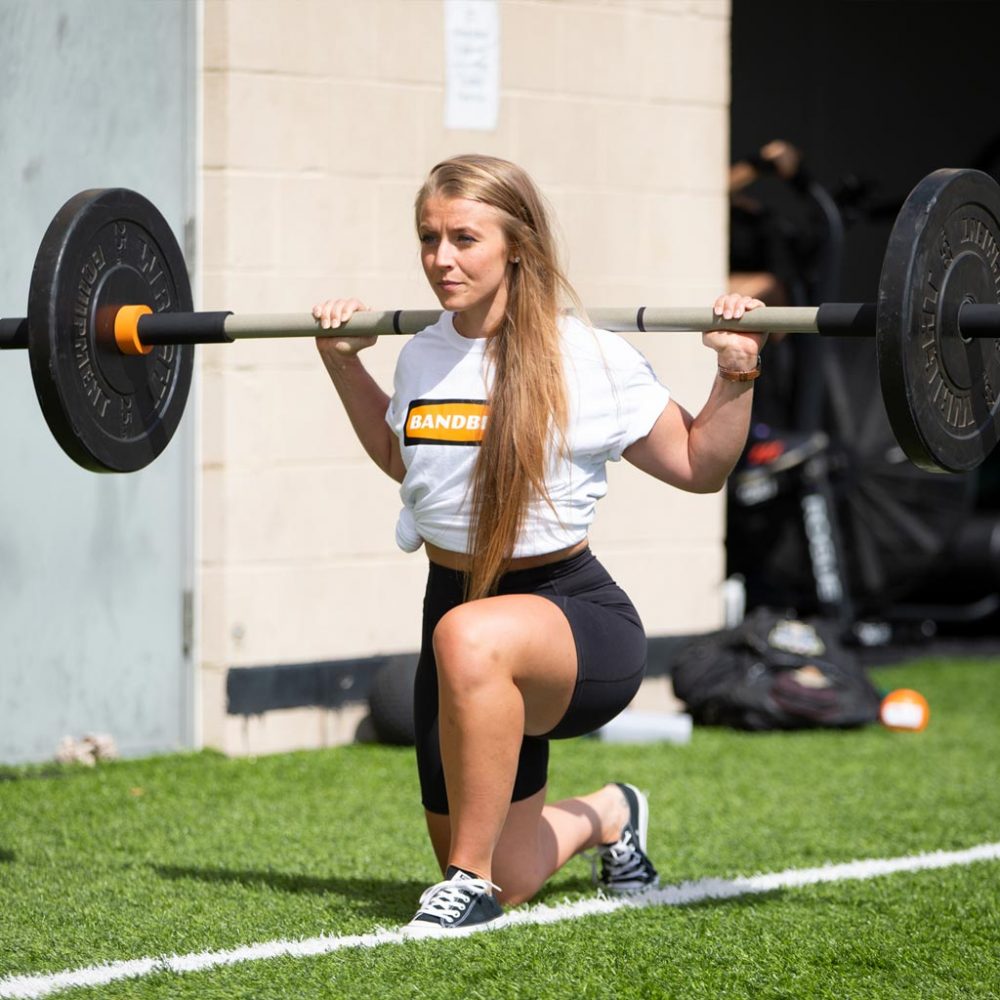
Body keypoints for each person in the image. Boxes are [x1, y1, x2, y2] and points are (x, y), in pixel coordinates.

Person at [312, 154, 765, 936]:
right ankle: (610, 814)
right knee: (517, 871)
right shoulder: (423, 353)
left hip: (570, 617)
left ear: (517, 244)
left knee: (469, 648)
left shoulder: (589, 357)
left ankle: (467, 881)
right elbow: (401, 458)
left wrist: (736, 376)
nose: (440, 260)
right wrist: (340, 362)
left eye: (463, 238)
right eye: (428, 239)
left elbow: (698, 466)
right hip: (455, 610)